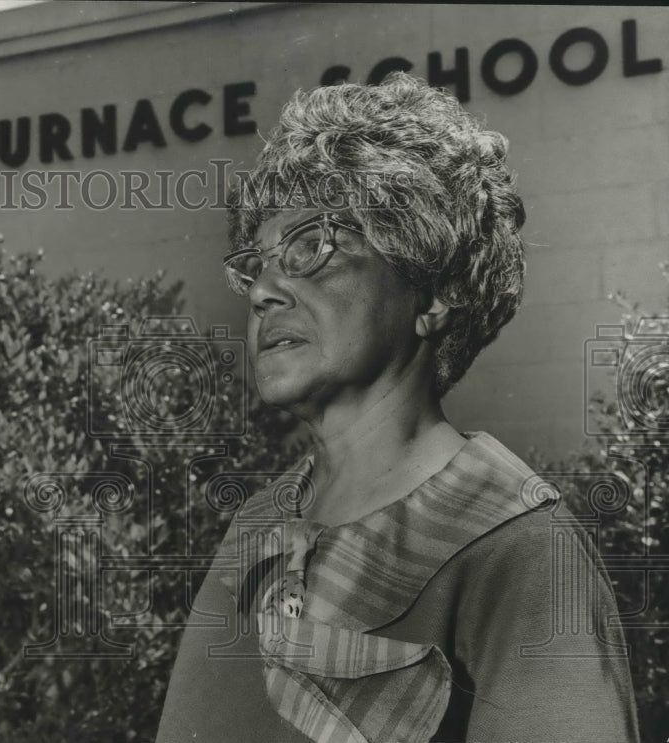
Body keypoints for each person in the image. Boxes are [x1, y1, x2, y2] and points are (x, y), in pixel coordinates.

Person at [155, 73, 639, 742]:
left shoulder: (521, 549)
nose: (265, 287)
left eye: (311, 246)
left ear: (433, 290)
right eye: (256, 263)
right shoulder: (259, 522)